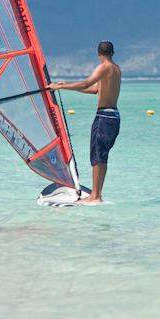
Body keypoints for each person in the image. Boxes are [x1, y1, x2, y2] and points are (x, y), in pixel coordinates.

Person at [49, 41, 121, 205]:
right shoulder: (116, 69)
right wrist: (68, 87)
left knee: (96, 156)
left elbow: (86, 83)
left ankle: (95, 196)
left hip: (104, 117)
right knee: (102, 156)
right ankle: (98, 194)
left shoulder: (104, 67)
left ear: (98, 54)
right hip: (114, 116)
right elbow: (95, 89)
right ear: (112, 52)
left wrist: (61, 86)